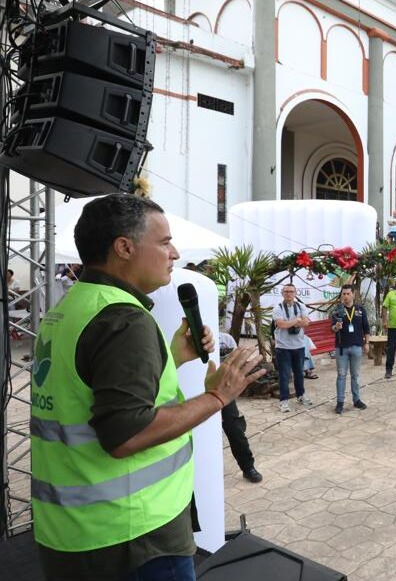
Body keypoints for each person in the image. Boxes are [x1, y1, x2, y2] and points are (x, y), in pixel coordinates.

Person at [32, 194, 263, 581]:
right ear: (124, 247)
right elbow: (126, 433)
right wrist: (217, 396)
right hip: (132, 536)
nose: (174, 253)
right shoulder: (123, 319)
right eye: (164, 242)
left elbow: (95, 387)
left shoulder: (73, 306)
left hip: (74, 533)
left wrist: (172, 355)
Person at [217, 332, 264, 483]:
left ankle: (248, 467)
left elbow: (237, 364)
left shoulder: (226, 339)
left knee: (235, 429)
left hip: (223, 391)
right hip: (199, 392)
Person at [331, 284, 369, 415]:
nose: (345, 296)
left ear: (353, 294)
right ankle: (340, 402)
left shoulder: (360, 310)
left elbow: (366, 328)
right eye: (343, 294)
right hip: (341, 348)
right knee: (341, 375)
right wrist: (336, 326)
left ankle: (356, 400)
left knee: (355, 376)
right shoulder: (337, 311)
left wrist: (367, 343)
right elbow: (333, 329)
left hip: (357, 347)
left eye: (348, 294)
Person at [273, 284, 312, 412]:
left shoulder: (301, 306)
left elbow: (306, 322)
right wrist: (297, 320)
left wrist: (294, 321)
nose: (289, 294)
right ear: (282, 294)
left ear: (295, 293)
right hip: (283, 347)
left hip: (299, 346)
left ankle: (301, 395)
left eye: (291, 291)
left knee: (299, 373)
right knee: (284, 375)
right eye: (286, 291)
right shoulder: (278, 308)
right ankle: (284, 401)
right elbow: (281, 324)